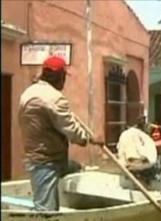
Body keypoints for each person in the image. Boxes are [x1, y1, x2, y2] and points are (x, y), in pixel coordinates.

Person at [18, 56, 104, 211]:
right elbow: (71, 130)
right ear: (60, 77)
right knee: (46, 212)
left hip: (41, 158)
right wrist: (91, 139)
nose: (64, 82)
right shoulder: (55, 98)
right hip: (46, 161)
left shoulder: (28, 92)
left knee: (76, 167)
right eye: (64, 77)